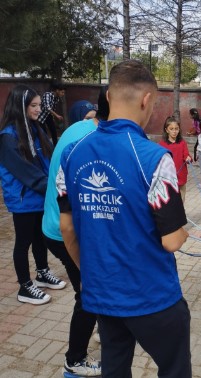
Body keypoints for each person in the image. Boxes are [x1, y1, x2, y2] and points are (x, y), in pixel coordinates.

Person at [58, 60, 191, 377]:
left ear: (108, 95)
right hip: (153, 296)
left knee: (115, 367)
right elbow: (172, 240)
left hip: (102, 294)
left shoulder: (71, 153)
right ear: (147, 100)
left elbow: (67, 228)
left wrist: (93, 272)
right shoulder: (155, 157)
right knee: (174, 370)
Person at [43, 92, 109, 377]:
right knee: (88, 293)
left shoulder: (79, 128)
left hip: (54, 226)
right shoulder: (93, 141)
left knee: (93, 288)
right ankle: (75, 359)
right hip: (64, 231)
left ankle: (102, 331)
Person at [0, 84, 66, 305]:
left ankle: (42, 272)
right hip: (24, 199)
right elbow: (24, 171)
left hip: (40, 196)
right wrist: (52, 188)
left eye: (39, 105)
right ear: (20, 106)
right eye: (34, 106)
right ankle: (24, 286)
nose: (39, 109)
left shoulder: (35, 129)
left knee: (40, 238)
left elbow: (47, 161)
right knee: (23, 241)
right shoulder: (8, 137)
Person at [159, 117, 192, 201]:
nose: (174, 131)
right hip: (167, 177)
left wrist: (188, 158)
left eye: (176, 129)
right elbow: (158, 158)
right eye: (171, 129)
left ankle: (180, 213)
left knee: (181, 199)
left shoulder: (182, 143)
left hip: (181, 176)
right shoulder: (162, 144)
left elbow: (186, 155)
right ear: (167, 130)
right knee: (170, 200)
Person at [38, 81, 65, 146]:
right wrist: (57, 115)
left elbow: (52, 109)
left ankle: (56, 146)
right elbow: (47, 107)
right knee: (44, 133)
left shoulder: (57, 98)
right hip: (40, 116)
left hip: (48, 115)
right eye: (62, 92)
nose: (63, 94)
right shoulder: (47, 95)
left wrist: (54, 116)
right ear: (57, 90)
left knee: (53, 131)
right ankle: (46, 147)